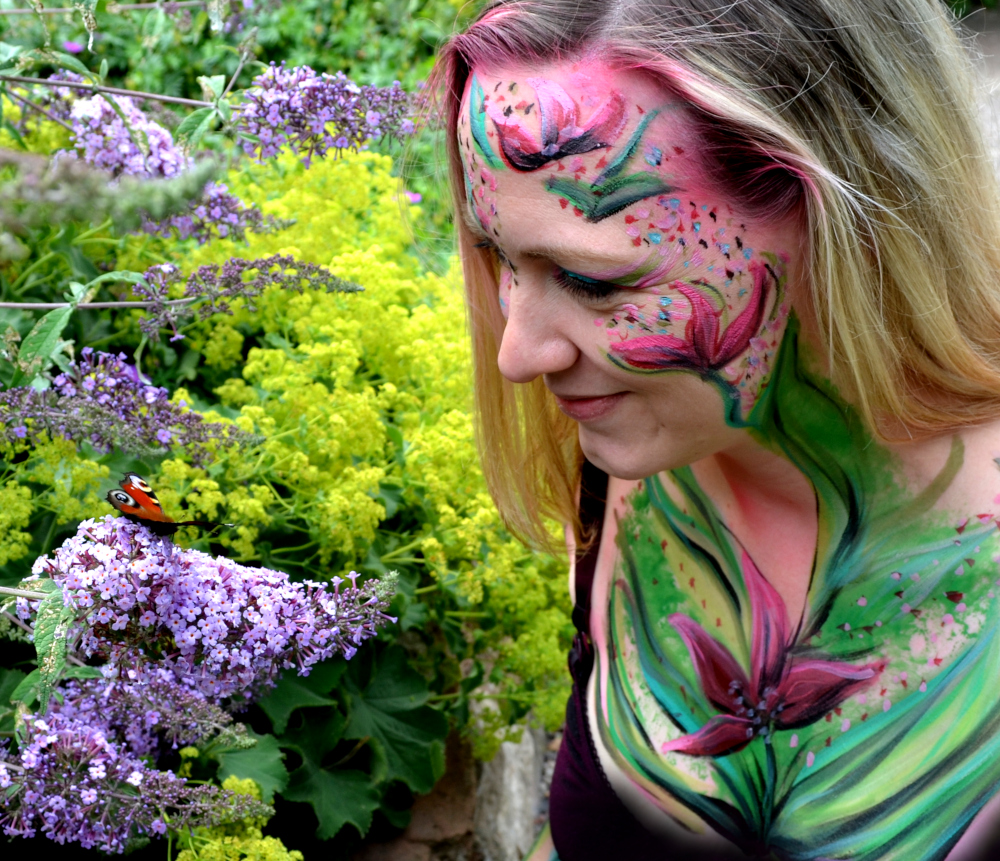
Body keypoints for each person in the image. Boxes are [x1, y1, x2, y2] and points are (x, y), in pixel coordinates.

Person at [434, 0, 1000, 858]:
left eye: (591, 283)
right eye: (503, 259)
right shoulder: (638, 451)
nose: (517, 352)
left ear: (848, 226)